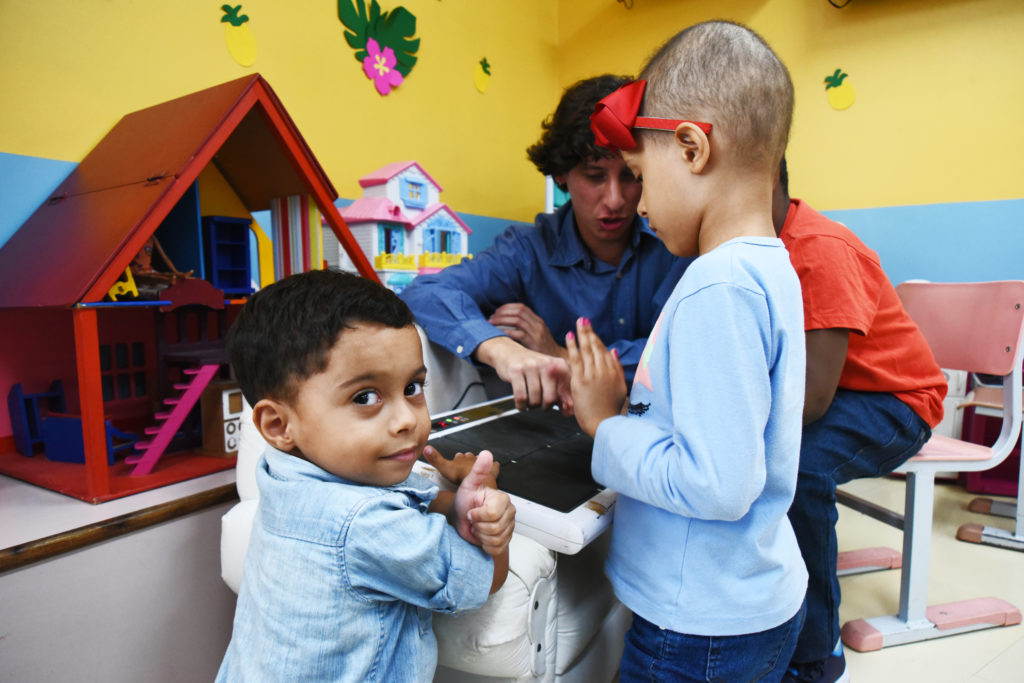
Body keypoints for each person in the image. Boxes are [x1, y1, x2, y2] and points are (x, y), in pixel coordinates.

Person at [561, 21, 807, 682]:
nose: (635, 202)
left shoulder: (715, 285)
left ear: (693, 149)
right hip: (745, 600)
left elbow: (716, 483)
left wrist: (604, 424)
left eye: (639, 174)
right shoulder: (769, 266)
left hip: (697, 626)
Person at [216, 269, 515, 682]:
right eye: (365, 397)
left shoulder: (281, 473)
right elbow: (484, 581)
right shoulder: (369, 526)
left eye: (413, 387)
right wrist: (487, 504)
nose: (406, 420)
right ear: (279, 425)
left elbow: (398, 502)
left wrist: (454, 500)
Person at [400, 74, 691, 410]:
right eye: (594, 176)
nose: (615, 199)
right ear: (561, 175)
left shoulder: (675, 244)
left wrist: (562, 355)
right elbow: (423, 293)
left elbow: (684, 353)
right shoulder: (526, 250)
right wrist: (502, 349)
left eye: (630, 175)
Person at [773, 158, 947, 683]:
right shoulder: (759, 248)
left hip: (901, 401)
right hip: (853, 394)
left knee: (796, 465)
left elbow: (811, 401)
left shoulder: (818, 248)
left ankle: (818, 657)